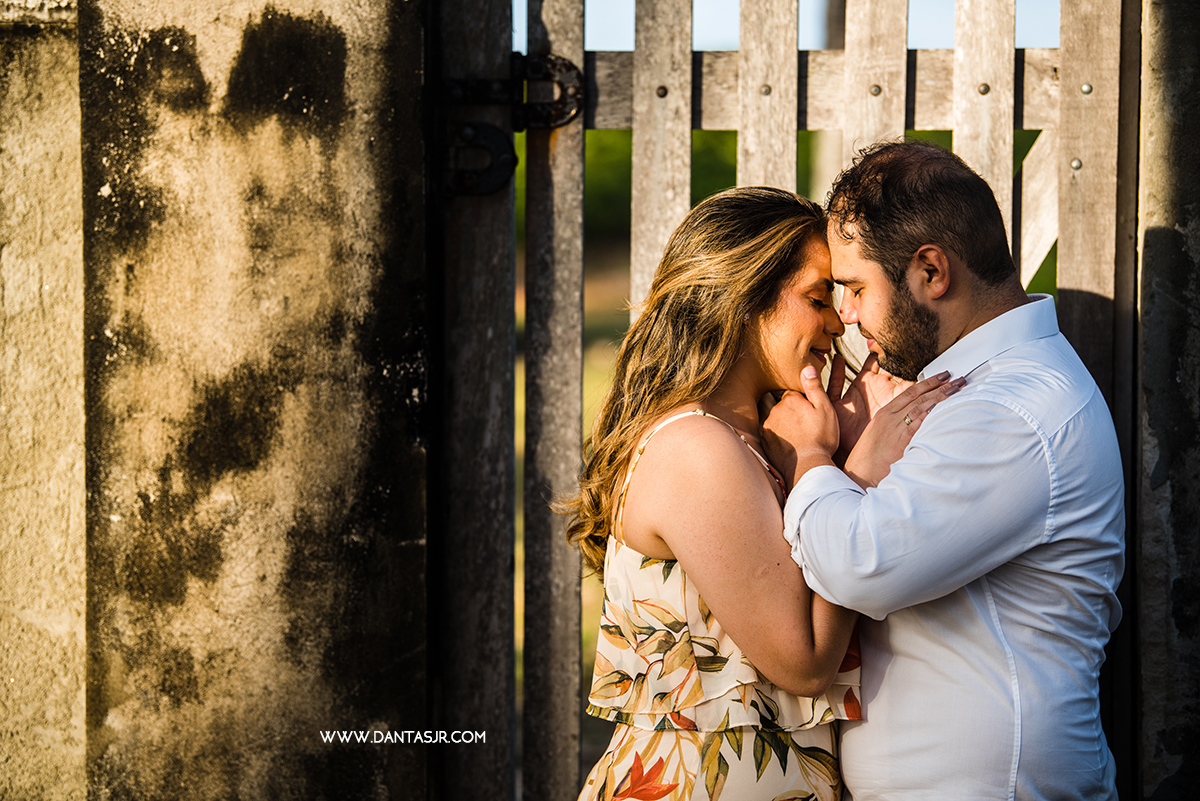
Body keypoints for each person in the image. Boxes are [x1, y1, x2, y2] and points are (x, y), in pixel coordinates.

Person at [564, 186, 958, 800]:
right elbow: (802, 663)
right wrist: (849, 474)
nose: (838, 321)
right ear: (744, 298)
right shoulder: (698, 448)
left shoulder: (751, 438)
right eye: (816, 298)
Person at [762, 140, 1125, 799]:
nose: (845, 314)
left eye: (856, 287)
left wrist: (814, 458)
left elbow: (861, 565)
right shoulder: (974, 388)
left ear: (931, 271)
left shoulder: (1012, 408)